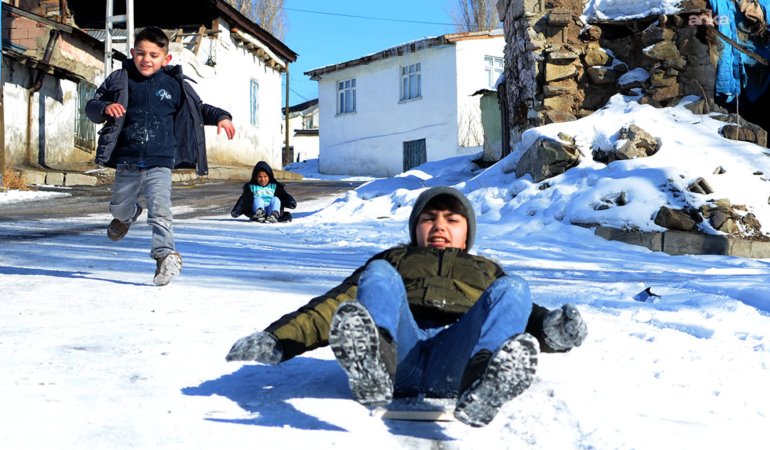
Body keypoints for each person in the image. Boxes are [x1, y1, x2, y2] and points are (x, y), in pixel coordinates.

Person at [226, 186, 587, 427]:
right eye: (429, 219)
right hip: (402, 352)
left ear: (467, 232)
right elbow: (337, 304)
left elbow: (514, 313)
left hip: (457, 359)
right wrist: (278, 339)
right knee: (378, 273)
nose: (439, 226)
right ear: (415, 228)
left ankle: (483, 381)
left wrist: (554, 329)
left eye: (452, 219)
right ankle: (373, 364)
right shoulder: (396, 257)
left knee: (514, 287)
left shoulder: (486, 269)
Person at [85, 26, 236, 286]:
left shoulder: (174, 84)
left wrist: (221, 116)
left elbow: (197, 109)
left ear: (166, 59)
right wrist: (105, 107)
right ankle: (127, 216)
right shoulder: (120, 79)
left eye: (154, 55)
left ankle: (165, 256)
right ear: (132, 53)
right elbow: (92, 105)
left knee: (160, 210)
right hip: (127, 158)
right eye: (141, 53)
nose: (146, 59)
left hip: (161, 161)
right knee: (119, 207)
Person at [230, 161, 296, 223]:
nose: (263, 179)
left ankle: (274, 215)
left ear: (269, 177)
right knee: (258, 199)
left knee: (275, 199)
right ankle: (260, 214)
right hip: (257, 209)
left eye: (265, 177)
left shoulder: (274, 186)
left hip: (271, 209)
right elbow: (244, 199)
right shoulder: (252, 187)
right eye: (260, 177)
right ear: (255, 177)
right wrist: (237, 211)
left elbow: (283, 195)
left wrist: (290, 201)